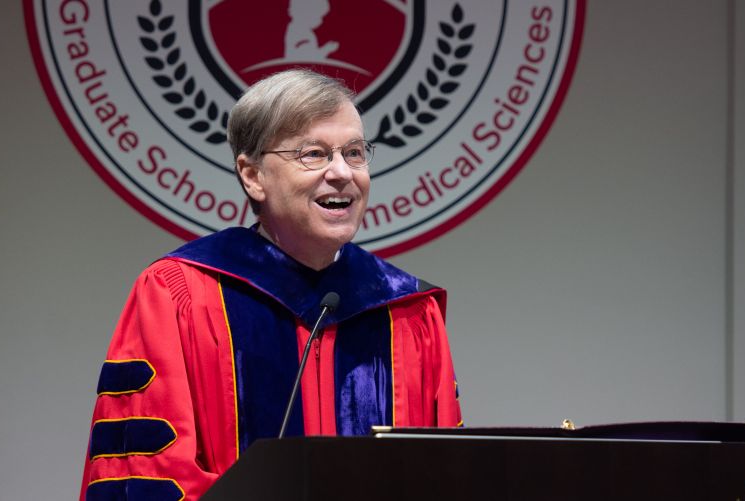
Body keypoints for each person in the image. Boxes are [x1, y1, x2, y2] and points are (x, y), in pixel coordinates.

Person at [79, 69, 462, 501]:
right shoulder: (178, 293)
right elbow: (147, 472)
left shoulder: (406, 309)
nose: (342, 173)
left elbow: (442, 474)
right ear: (253, 176)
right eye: (313, 154)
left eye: (354, 153)